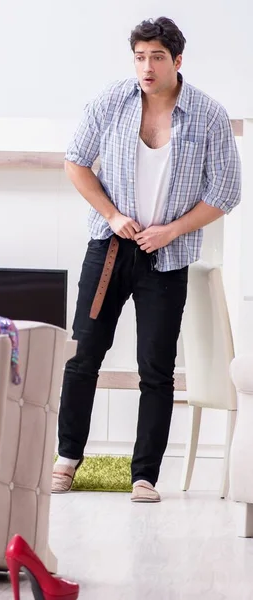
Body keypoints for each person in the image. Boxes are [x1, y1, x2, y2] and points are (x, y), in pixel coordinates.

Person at [52, 16, 241, 502]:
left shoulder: (208, 115)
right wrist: (112, 215)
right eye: (140, 57)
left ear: (178, 61)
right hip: (109, 250)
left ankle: (145, 476)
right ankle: (67, 460)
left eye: (157, 57)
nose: (147, 67)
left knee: (155, 368)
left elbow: (226, 193)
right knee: (84, 356)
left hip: (168, 258)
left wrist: (172, 231)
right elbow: (75, 162)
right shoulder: (111, 102)